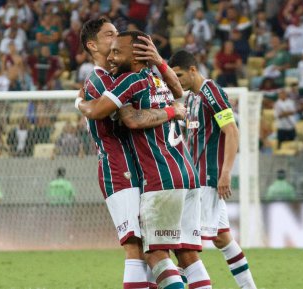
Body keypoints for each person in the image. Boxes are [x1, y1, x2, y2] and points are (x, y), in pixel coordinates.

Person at [77, 31, 211, 289]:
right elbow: (178, 90)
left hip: (161, 177)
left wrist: (79, 102)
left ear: (136, 55)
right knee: (186, 254)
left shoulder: (128, 81)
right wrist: (172, 107)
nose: (112, 56)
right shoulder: (158, 79)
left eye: (118, 50)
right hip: (187, 173)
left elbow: (124, 118)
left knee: (153, 253)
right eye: (111, 47)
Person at [168, 50, 257, 289]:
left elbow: (232, 131)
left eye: (179, 75)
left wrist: (226, 172)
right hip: (196, 179)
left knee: (187, 246)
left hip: (208, 178)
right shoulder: (191, 98)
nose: (176, 81)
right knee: (223, 239)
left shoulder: (212, 92)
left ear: (193, 70)